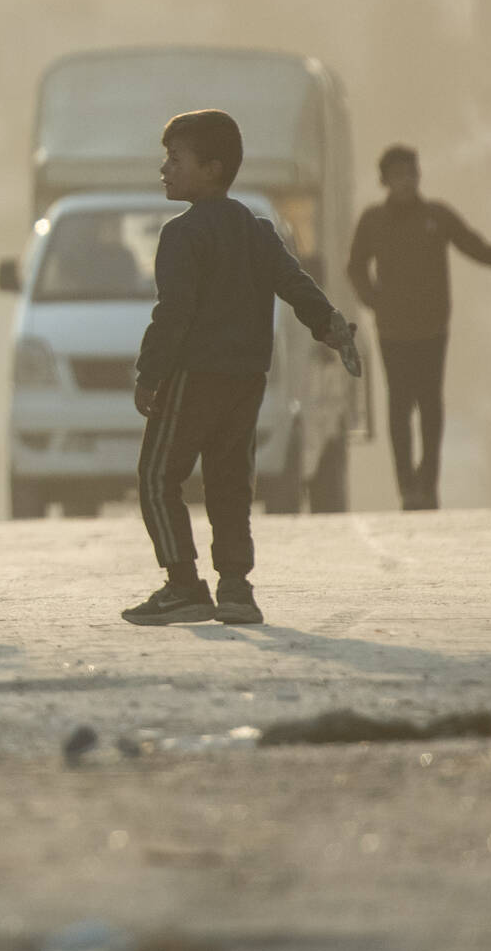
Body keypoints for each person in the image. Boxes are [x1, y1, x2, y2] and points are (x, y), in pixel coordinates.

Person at [121, 110, 358, 627]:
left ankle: (183, 584)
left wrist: (149, 375)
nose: (164, 169)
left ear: (212, 169)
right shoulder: (256, 231)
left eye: (175, 159)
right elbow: (295, 285)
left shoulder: (182, 235)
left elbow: (173, 313)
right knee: (229, 483)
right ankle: (235, 587)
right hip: (246, 380)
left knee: (158, 476)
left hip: (192, 377)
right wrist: (330, 326)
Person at [343, 145, 491, 510]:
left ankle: (428, 482)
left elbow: (475, 247)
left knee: (430, 403)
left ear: (418, 176)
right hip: (393, 330)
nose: (405, 182)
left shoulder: (437, 216)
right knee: (400, 404)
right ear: (385, 181)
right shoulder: (373, 220)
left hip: (433, 328)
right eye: (397, 175)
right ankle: (407, 485)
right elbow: (355, 266)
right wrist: (373, 300)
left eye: (410, 174)